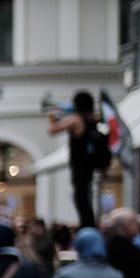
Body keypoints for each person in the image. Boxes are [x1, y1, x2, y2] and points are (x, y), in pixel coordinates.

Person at [47, 90, 111, 232]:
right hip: (90, 163)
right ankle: (89, 224)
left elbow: (53, 130)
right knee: (86, 195)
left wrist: (52, 115)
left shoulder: (75, 119)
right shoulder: (93, 118)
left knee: (81, 197)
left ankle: (87, 226)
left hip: (79, 164)